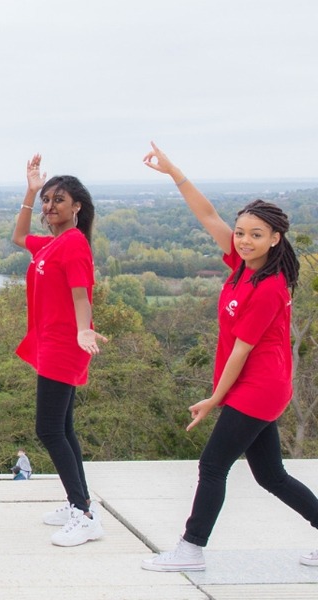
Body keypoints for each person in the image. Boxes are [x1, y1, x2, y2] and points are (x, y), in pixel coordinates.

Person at [140, 143, 318, 572]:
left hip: (258, 388)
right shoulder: (242, 265)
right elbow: (207, 216)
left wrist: (214, 399)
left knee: (213, 464)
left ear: (275, 238)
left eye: (256, 234)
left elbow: (241, 351)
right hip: (253, 386)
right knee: (271, 476)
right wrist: (175, 172)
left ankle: (190, 550)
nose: (244, 240)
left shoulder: (269, 286)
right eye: (241, 232)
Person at [10, 154, 106, 547]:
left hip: (66, 344)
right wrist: (30, 191)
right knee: (63, 428)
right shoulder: (53, 244)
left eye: (58, 200)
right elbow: (19, 237)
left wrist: (84, 330)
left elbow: (81, 294)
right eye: (47, 200)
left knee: (48, 429)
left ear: (77, 207)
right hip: (52, 341)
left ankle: (84, 515)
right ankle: (77, 504)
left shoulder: (74, 244)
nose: (50, 206)